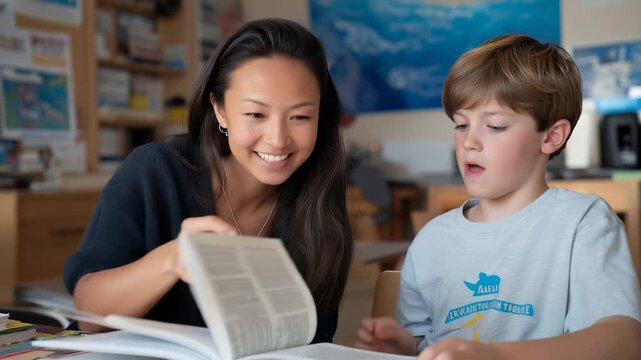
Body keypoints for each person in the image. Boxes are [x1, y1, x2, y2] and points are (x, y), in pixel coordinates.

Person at [64, 18, 352, 343]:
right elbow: (89, 313)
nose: (277, 139)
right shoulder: (155, 172)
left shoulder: (319, 194)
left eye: (300, 117)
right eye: (256, 115)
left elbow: (315, 338)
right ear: (220, 110)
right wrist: (173, 259)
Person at [355, 34, 641, 359]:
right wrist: (404, 346)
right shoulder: (431, 240)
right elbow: (426, 342)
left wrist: (496, 356)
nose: (469, 142)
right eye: (461, 125)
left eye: (494, 126)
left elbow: (624, 341)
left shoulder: (583, 223)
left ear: (551, 136)